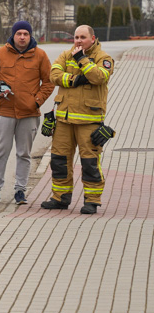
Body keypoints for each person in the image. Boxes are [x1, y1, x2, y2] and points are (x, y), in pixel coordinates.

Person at [41, 25, 114, 214]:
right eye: (76, 37)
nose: (78, 40)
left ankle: (92, 201)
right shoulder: (66, 55)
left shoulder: (103, 58)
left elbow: (98, 77)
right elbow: (53, 75)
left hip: (89, 121)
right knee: (59, 160)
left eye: (82, 37)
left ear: (93, 38)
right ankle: (60, 198)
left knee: (89, 162)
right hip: (64, 120)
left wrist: (81, 59)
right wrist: (75, 80)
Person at [0, 21, 54, 205]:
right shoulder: (0, 53)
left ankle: (20, 192)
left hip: (29, 114)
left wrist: (36, 101)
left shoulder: (40, 55)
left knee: (24, 154)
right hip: (5, 111)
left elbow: (49, 81)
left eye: (25, 34)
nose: (22, 37)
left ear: (30, 36)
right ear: (13, 35)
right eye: (19, 33)